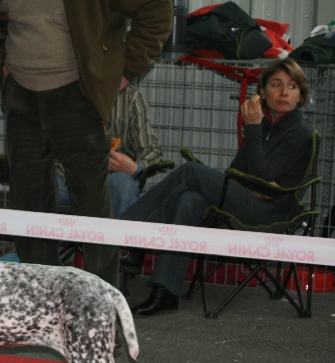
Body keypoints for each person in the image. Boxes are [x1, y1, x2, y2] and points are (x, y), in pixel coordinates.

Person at [0, 0, 173, 289]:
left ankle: (102, 307)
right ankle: (42, 299)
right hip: (20, 96)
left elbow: (157, 9)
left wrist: (123, 70)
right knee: (28, 208)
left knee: (93, 209)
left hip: (77, 97)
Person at [119, 57, 315, 317]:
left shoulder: (300, 132)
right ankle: (165, 292)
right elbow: (239, 173)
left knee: (191, 172)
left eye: (292, 87)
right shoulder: (265, 127)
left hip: (271, 214)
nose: (283, 92)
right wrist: (257, 177)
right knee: (190, 198)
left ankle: (126, 236)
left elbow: (262, 175)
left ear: (300, 95)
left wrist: (253, 129)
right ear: (263, 93)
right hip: (250, 201)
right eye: (276, 85)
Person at [57, 83, 164, 218]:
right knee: (45, 187)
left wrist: (135, 168)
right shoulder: (66, 93)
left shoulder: (131, 97)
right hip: (67, 181)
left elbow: (152, 150)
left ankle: (120, 238)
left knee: (123, 184)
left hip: (111, 182)